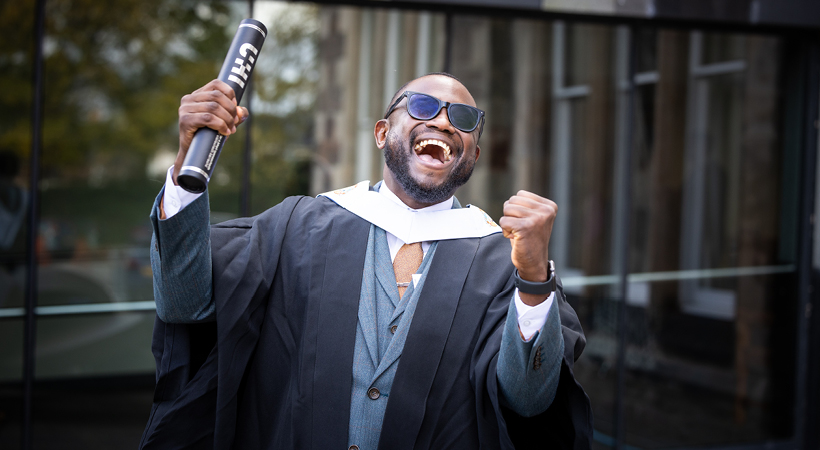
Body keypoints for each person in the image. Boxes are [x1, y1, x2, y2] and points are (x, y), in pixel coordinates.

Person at [140, 73, 592, 450]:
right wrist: (186, 165)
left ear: (471, 154)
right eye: (420, 105)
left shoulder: (500, 262)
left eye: (464, 118)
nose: (443, 121)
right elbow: (183, 303)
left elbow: (528, 400)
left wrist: (533, 278)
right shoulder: (296, 226)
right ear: (382, 133)